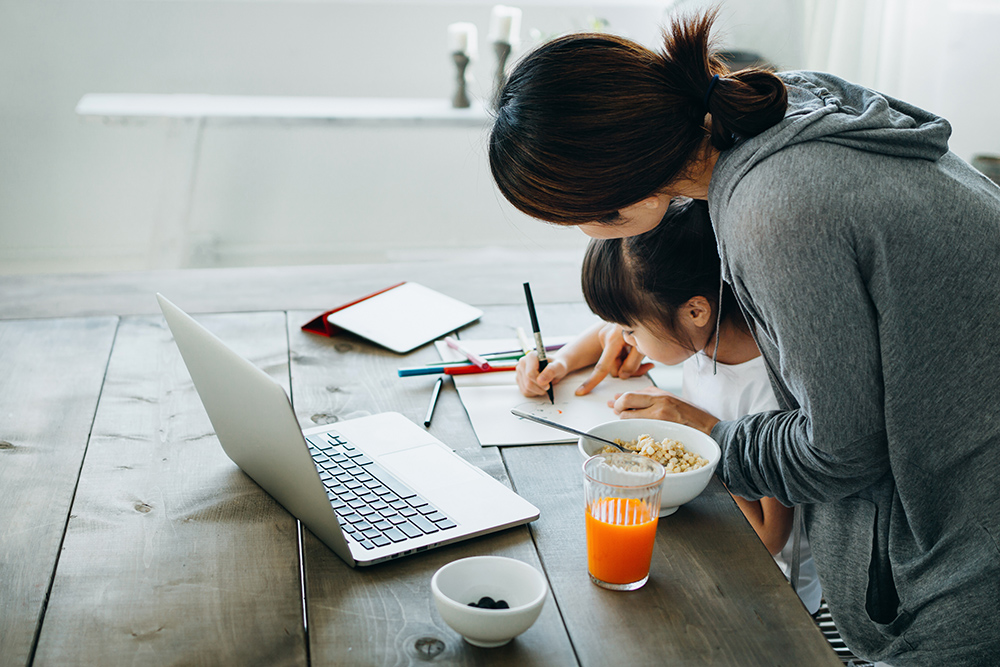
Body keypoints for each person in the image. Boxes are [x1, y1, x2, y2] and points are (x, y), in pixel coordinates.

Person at [489, 9, 1000, 667]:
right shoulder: (772, 110)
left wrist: (700, 445)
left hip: (963, 561)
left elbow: (840, 449)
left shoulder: (775, 209)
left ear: (613, 196)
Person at [518, 197, 823, 613]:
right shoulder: (699, 331)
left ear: (695, 310)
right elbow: (607, 330)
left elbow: (770, 536)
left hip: (760, 583)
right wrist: (562, 361)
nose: (623, 339)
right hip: (699, 520)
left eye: (630, 330)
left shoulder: (770, 389)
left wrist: (702, 433)